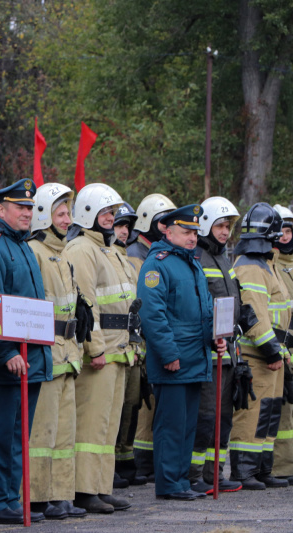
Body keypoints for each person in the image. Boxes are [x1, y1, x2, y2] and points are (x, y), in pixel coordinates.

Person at [0, 178, 52, 525]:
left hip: (31, 355)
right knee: (0, 433)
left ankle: (11, 497)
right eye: (20, 207)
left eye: (30, 208)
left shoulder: (21, 245)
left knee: (19, 435)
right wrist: (4, 353)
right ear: (0, 209)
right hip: (11, 359)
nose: (27, 213)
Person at [138, 204, 226, 500]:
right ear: (168, 230)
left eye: (195, 232)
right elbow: (153, 315)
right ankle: (169, 484)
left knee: (187, 426)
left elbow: (203, 311)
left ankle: (181, 482)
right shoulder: (158, 264)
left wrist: (216, 339)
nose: (192, 237)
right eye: (187, 231)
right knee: (171, 426)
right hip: (174, 360)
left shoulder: (191, 262)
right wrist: (168, 354)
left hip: (195, 357)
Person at [63, 183, 138, 514]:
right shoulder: (82, 249)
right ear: (89, 213)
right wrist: (94, 349)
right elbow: (86, 305)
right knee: (91, 424)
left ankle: (100, 486)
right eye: (106, 212)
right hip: (102, 353)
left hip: (118, 351)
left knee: (107, 425)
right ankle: (83, 489)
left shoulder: (108, 249)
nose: (111, 218)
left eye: (112, 213)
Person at [26, 183, 87, 520]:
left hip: (68, 353)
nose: (67, 219)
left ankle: (61, 494)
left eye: (68, 213)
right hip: (48, 351)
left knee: (64, 432)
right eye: (60, 213)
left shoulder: (62, 253)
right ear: (43, 216)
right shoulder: (36, 251)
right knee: (42, 430)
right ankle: (37, 495)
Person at [230, 202, 291, 490]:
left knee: (267, 412)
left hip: (272, 353)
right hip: (257, 354)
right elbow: (254, 314)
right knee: (252, 412)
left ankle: (262, 469)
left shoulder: (265, 263)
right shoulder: (252, 266)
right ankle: (244, 472)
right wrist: (271, 350)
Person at [187, 197, 244, 494]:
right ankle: (193, 476)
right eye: (221, 226)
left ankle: (215, 474)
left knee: (223, 418)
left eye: (228, 227)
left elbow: (235, 300)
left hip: (229, 351)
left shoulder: (224, 258)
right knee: (205, 416)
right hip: (207, 353)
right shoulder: (197, 257)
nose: (225, 232)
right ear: (207, 225)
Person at [128, 193, 176, 480]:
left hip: (152, 340)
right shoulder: (138, 256)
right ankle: (143, 464)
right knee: (144, 404)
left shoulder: (154, 254)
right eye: (164, 223)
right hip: (143, 342)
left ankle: (146, 464)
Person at [111, 203, 148, 488]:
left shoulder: (125, 258)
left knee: (130, 404)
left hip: (132, 346)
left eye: (127, 226)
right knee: (112, 409)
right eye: (119, 225)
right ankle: (110, 464)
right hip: (111, 348)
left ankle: (124, 460)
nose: (124, 231)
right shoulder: (105, 257)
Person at [272, 204, 293, 484]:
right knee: (282, 413)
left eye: (289, 230)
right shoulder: (269, 265)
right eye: (281, 231)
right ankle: (282, 467)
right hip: (280, 348)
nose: (285, 236)